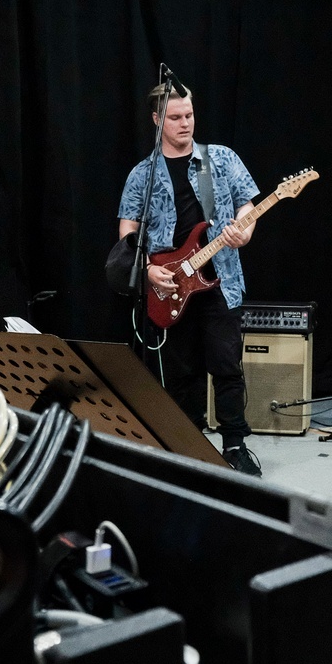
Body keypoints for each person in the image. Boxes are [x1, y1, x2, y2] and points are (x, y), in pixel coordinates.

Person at [118, 82, 262, 476]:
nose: (185, 123)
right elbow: (127, 234)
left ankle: (235, 446)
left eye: (190, 115)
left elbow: (247, 206)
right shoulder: (143, 174)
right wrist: (148, 271)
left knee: (227, 366)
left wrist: (244, 232)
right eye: (176, 117)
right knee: (182, 372)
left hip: (220, 279)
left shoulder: (220, 159)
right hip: (170, 285)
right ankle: (189, 445)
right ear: (157, 119)